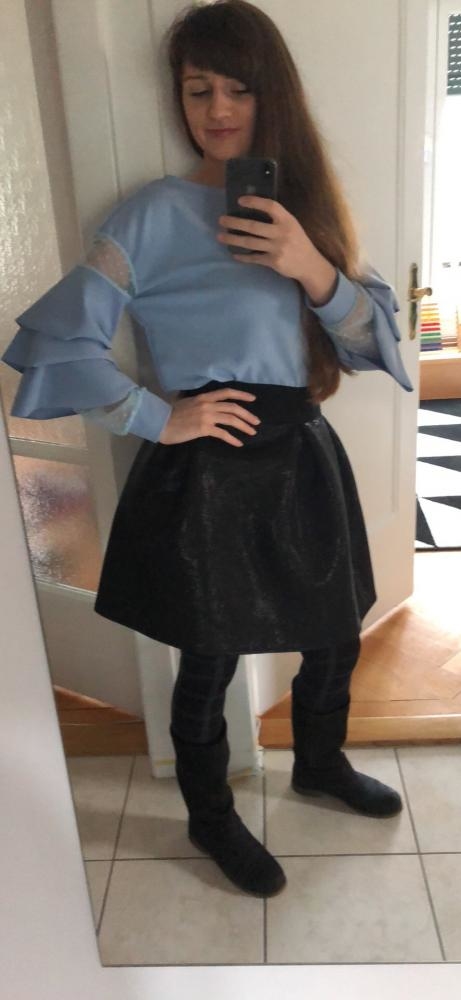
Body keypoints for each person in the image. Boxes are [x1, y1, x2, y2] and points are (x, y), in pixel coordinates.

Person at [2, 0, 413, 899]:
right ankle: (209, 812)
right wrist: (156, 417)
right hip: (205, 472)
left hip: (301, 452)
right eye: (198, 89)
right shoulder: (149, 216)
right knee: (208, 656)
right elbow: (55, 341)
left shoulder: (307, 212)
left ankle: (319, 763)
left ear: (274, 97)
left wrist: (312, 267)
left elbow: (375, 344)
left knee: (333, 631)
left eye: (238, 88)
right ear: (177, 97)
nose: (217, 109)